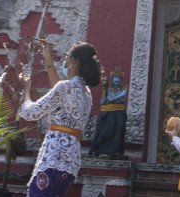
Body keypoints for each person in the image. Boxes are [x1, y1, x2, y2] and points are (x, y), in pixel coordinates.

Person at [19, 41, 102, 196]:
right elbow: (60, 90)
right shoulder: (86, 93)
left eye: (67, 56)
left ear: (75, 62)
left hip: (54, 156)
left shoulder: (65, 87)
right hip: (70, 161)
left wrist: (26, 89)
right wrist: (47, 57)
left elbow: (31, 112)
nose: (65, 60)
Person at [88, 67, 128, 159]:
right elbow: (107, 99)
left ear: (121, 80)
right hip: (107, 112)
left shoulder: (123, 89)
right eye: (115, 78)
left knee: (119, 129)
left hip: (119, 111)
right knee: (104, 130)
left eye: (118, 79)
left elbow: (120, 96)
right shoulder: (108, 89)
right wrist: (106, 98)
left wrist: (113, 98)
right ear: (112, 79)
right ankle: (100, 150)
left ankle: (115, 151)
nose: (116, 80)